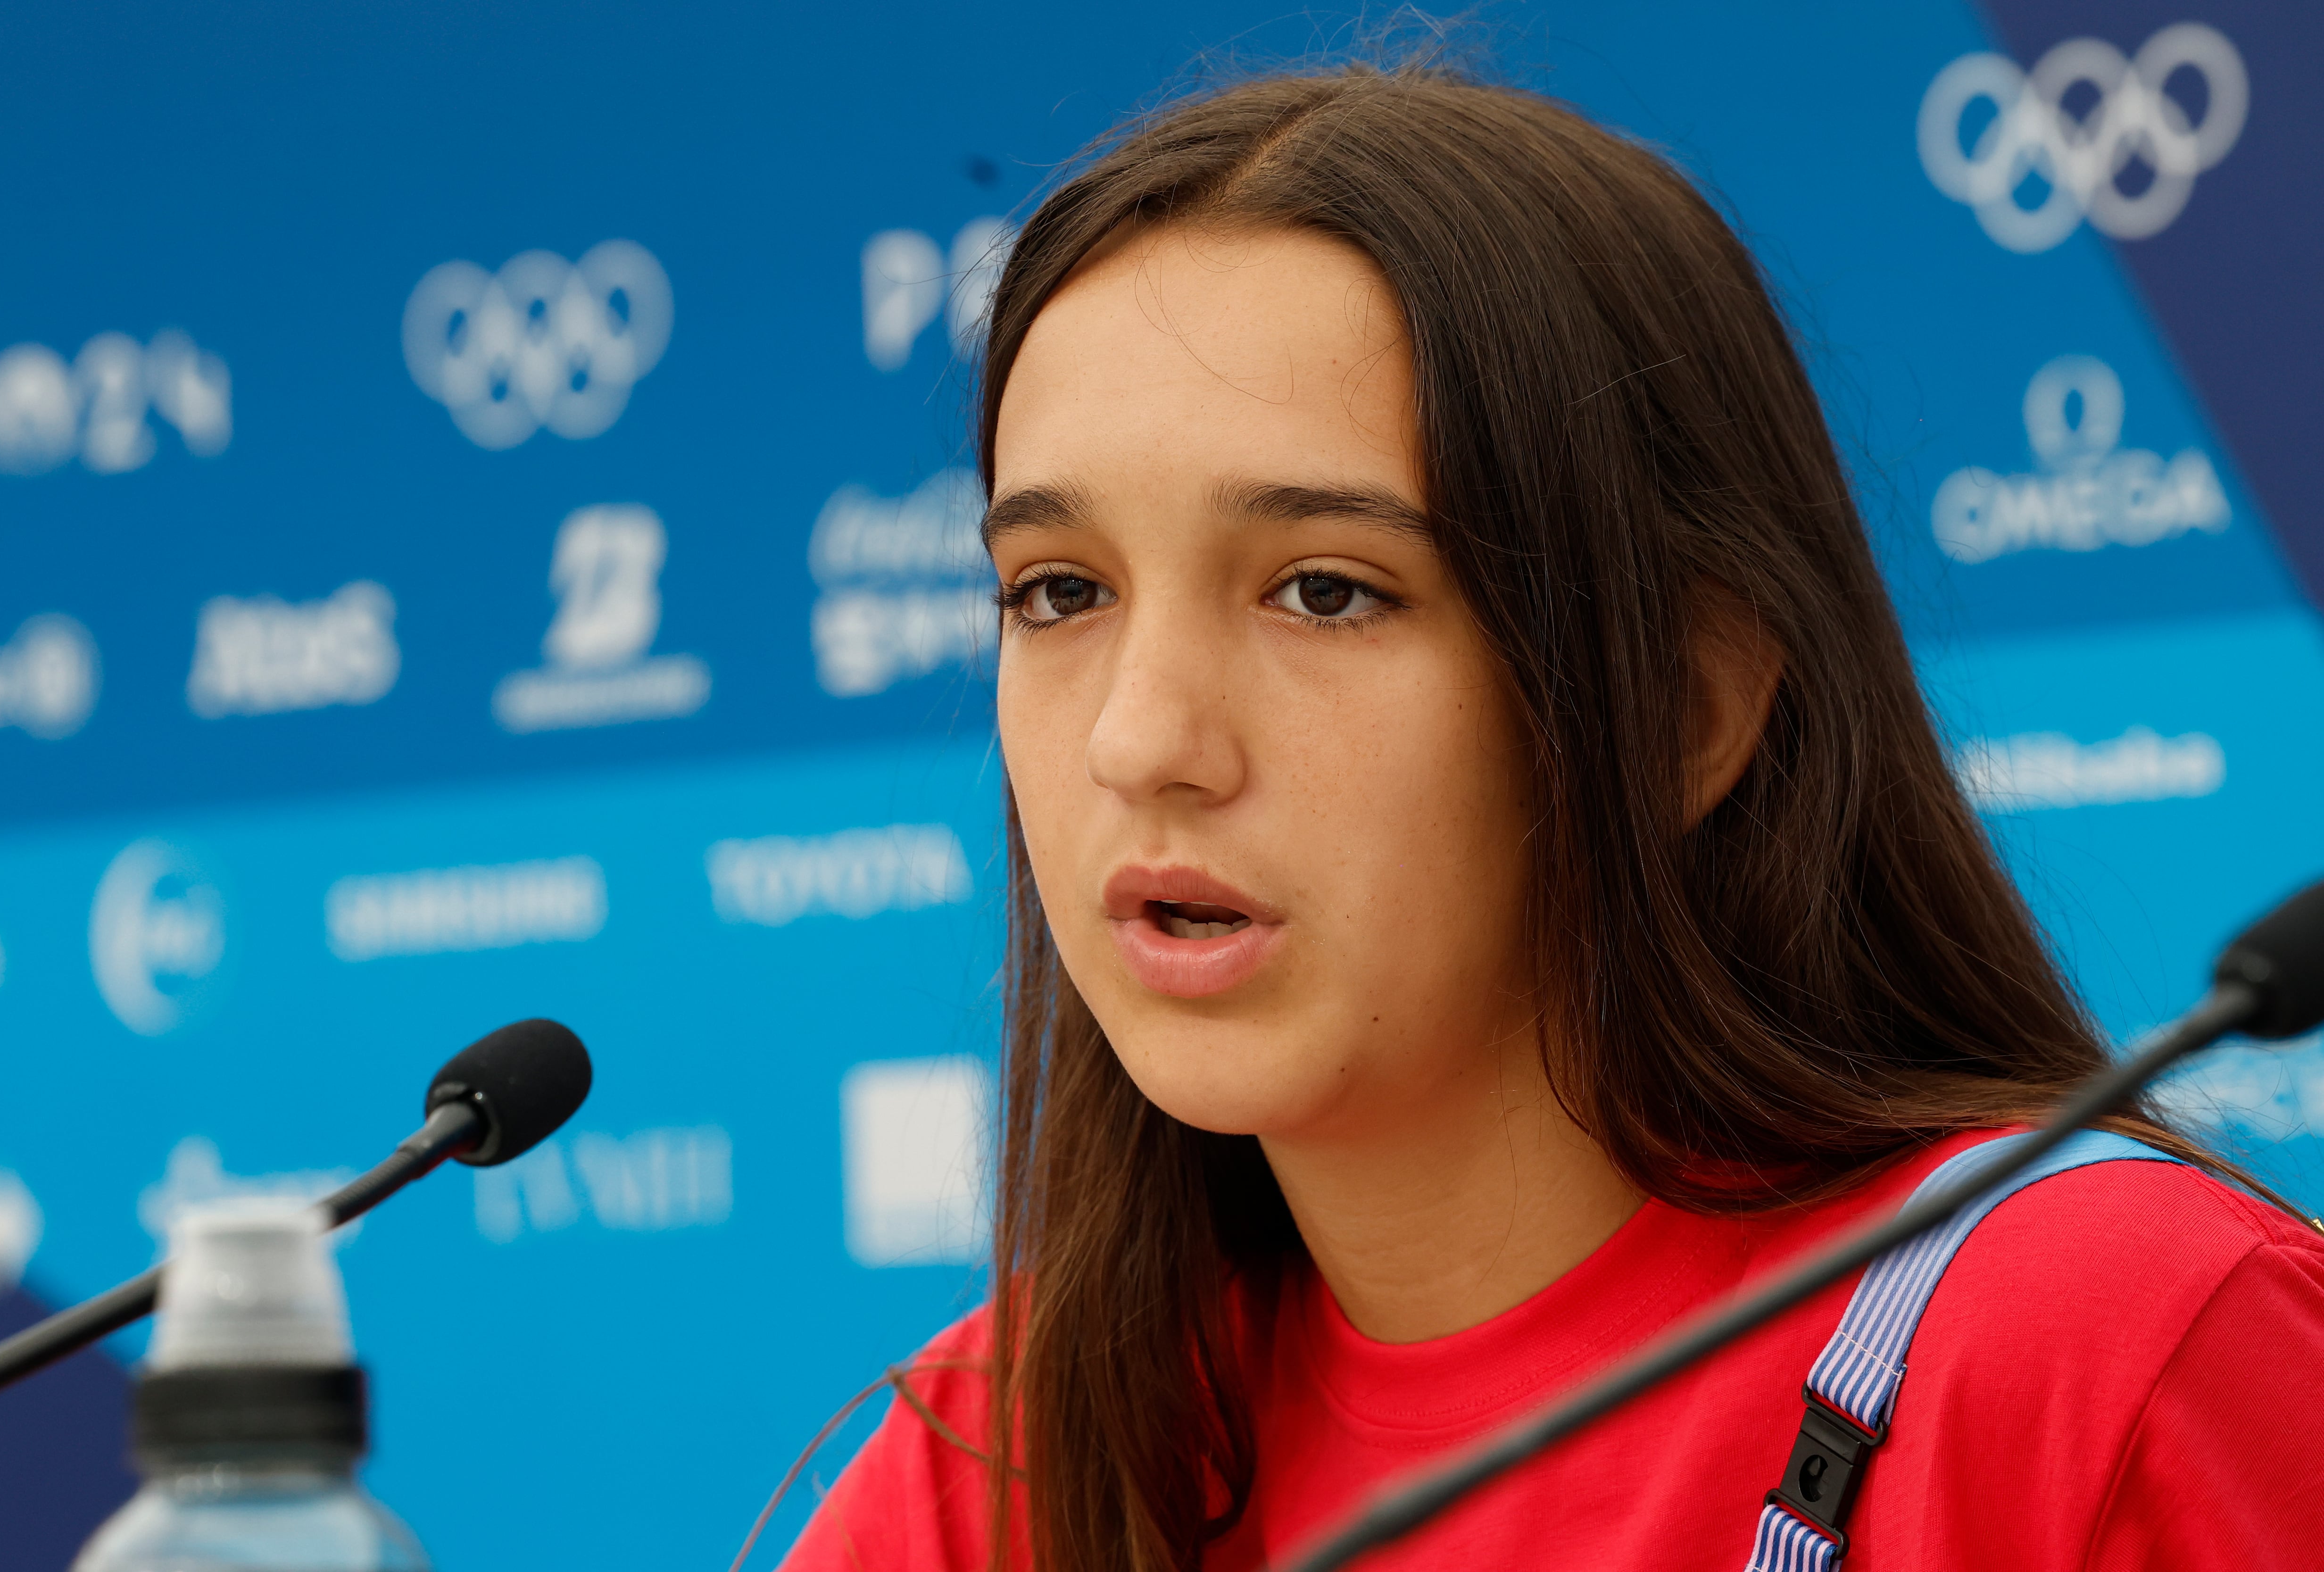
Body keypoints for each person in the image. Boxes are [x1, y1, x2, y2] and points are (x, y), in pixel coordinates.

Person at [780, 64, 2324, 1572]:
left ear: (1685, 707)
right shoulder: (997, 1459)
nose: (1139, 740)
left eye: (1326, 591)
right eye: (1059, 593)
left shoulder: (2108, 1349)